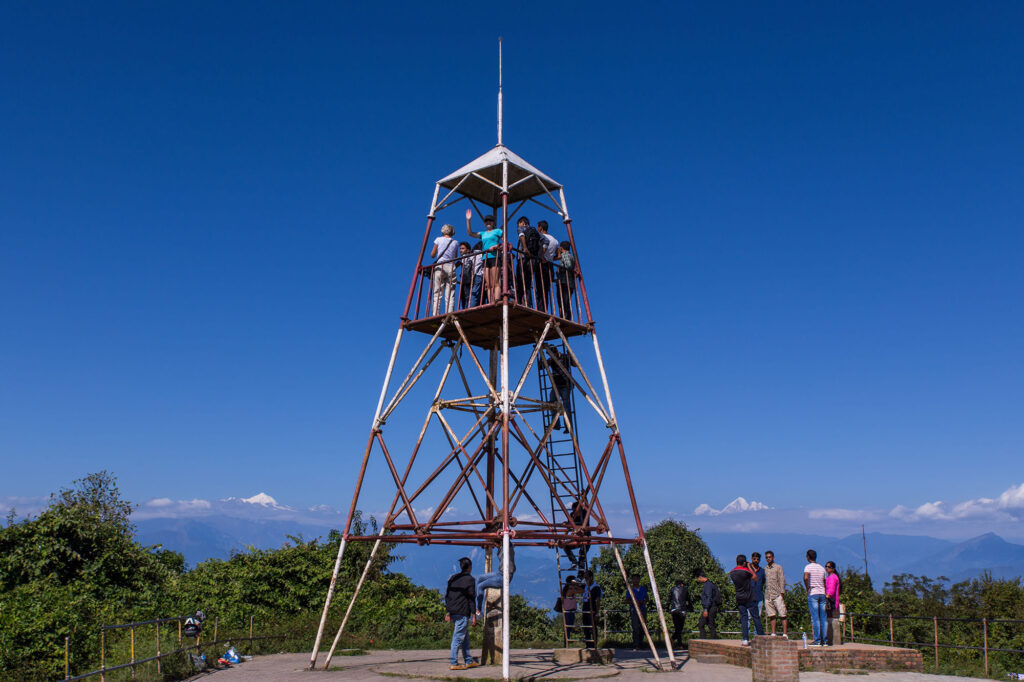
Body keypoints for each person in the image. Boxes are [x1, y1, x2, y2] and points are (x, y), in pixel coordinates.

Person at [445, 557, 479, 670]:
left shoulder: (453, 578)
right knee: (458, 638)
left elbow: (448, 596)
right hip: (462, 611)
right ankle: (454, 662)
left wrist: (448, 611)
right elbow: (471, 598)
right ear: (469, 567)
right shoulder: (470, 580)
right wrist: (474, 615)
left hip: (453, 611)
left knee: (464, 637)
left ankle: (468, 660)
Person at [466, 210, 503, 305]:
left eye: (490, 221)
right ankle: (491, 302)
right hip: (485, 258)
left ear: (493, 222)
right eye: (486, 221)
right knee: (489, 284)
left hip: (494, 256)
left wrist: (495, 247)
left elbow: (505, 242)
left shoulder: (498, 231)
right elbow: (470, 233)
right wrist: (468, 220)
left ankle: (497, 300)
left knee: (495, 282)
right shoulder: (483, 233)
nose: (488, 222)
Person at [729, 554, 764, 645]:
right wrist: (749, 567)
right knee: (756, 617)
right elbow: (755, 578)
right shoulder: (746, 571)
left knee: (744, 618)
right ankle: (761, 636)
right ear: (744, 562)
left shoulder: (732, 572)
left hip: (739, 598)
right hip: (749, 597)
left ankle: (745, 639)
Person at [474, 544, 516, 615]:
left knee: (480, 586)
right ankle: (473, 599)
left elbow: (508, 542)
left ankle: (478, 609)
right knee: (478, 578)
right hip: (500, 573)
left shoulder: (507, 547)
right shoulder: (501, 548)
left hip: (504, 577)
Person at [429, 223, 461, 315]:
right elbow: (455, 256)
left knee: (437, 292)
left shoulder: (438, 239)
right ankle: (449, 313)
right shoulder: (455, 242)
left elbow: (432, 255)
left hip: (440, 266)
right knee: (450, 292)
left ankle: (436, 313)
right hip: (451, 266)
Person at [803, 549, 827, 647]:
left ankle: (817, 640)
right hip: (822, 593)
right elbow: (824, 581)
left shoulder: (808, 567)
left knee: (815, 617)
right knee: (823, 617)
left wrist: (807, 587)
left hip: (813, 592)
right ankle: (825, 640)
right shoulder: (822, 568)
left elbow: (805, 577)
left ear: (808, 557)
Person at [763, 550, 788, 638]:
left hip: (777, 594)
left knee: (782, 614)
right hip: (768, 595)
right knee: (771, 615)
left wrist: (782, 593)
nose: (768, 559)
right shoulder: (765, 569)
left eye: (769, 557)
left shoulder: (778, 567)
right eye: (767, 557)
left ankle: (785, 633)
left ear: (773, 557)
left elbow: (782, 580)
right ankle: (773, 633)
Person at [548, 348, 573, 432]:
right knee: (552, 403)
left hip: (565, 384)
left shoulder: (564, 357)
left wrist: (570, 355)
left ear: (556, 352)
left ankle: (568, 426)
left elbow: (574, 364)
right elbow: (541, 366)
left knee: (566, 406)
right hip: (556, 386)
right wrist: (540, 356)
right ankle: (556, 424)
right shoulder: (551, 360)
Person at [536, 220, 559, 311]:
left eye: (538, 227)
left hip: (541, 264)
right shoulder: (555, 240)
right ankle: (544, 308)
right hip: (549, 266)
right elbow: (559, 256)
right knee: (546, 289)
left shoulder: (540, 237)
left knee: (539, 287)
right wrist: (549, 258)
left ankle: (540, 308)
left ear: (540, 228)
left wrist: (542, 257)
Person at [562, 496, 590, 569]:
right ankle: (574, 561)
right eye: (573, 510)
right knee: (566, 546)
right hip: (577, 539)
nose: (574, 512)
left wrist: (585, 497)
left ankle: (580, 576)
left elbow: (587, 507)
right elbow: (569, 524)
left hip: (586, 538)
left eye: (576, 510)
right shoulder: (572, 515)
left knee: (582, 555)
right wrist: (566, 524)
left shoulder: (584, 513)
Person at [625, 574, 649, 651]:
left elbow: (647, 598)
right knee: (635, 627)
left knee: (643, 626)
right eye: (634, 579)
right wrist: (634, 602)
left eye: (637, 579)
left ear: (639, 580)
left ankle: (641, 643)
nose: (635, 580)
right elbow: (627, 600)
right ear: (632, 580)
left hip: (642, 608)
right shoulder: (630, 589)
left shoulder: (643, 588)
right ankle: (636, 644)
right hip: (634, 609)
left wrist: (643, 601)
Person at [580, 570, 603, 649]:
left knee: (593, 627)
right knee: (586, 627)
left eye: (587, 578)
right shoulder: (585, 586)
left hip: (592, 608)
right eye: (584, 578)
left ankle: (594, 644)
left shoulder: (596, 587)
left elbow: (597, 600)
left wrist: (597, 613)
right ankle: (588, 644)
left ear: (591, 578)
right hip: (585, 607)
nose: (585, 580)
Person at [697, 570, 721, 639]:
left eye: (698, 578)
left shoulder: (707, 585)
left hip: (710, 608)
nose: (698, 580)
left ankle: (706, 640)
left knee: (703, 624)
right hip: (711, 607)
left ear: (700, 577)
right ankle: (712, 639)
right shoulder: (710, 584)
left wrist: (705, 609)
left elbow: (708, 597)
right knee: (710, 624)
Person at [555, 241, 576, 320]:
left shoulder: (565, 255)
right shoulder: (570, 256)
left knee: (563, 301)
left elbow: (568, 265)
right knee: (565, 301)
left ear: (561, 248)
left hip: (565, 282)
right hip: (568, 282)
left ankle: (565, 317)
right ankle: (565, 316)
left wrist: (561, 271)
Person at [669, 578, 691, 647]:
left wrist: (666, 607)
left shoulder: (672, 589)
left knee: (677, 627)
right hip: (682, 610)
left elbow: (669, 599)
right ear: (682, 584)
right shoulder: (685, 589)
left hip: (674, 610)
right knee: (680, 628)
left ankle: (673, 640)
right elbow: (689, 600)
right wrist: (690, 608)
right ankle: (679, 644)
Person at [824, 561, 841, 646]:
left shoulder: (833, 577)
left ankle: (833, 640)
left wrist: (827, 596)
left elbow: (831, 589)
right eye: (826, 566)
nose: (827, 568)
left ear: (833, 569)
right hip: (831, 600)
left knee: (831, 620)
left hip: (832, 601)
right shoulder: (829, 577)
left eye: (829, 567)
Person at [457, 242, 473, 309]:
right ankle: (465, 308)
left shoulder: (471, 257)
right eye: (460, 249)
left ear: (468, 250)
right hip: (464, 280)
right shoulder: (462, 258)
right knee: (463, 297)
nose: (461, 250)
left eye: (463, 248)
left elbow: (455, 266)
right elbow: (455, 266)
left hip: (469, 279)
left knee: (467, 296)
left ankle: (466, 309)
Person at [468, 241, 484, 307]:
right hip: (479, 274)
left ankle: (471, 306)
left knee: (473, 291)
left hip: (472, 274)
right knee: (476, 291)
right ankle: (472, 306)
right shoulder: (482, 254)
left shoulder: (472, 255)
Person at [750, 551, 766, 616]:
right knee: (748, 616)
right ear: (751, 559)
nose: (756, 560)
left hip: (759, 597)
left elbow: (763, 581)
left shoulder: (762, 571)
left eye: (758, 559)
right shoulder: (748, 570)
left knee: (758, 616)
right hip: (749, 597)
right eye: (754, 559)